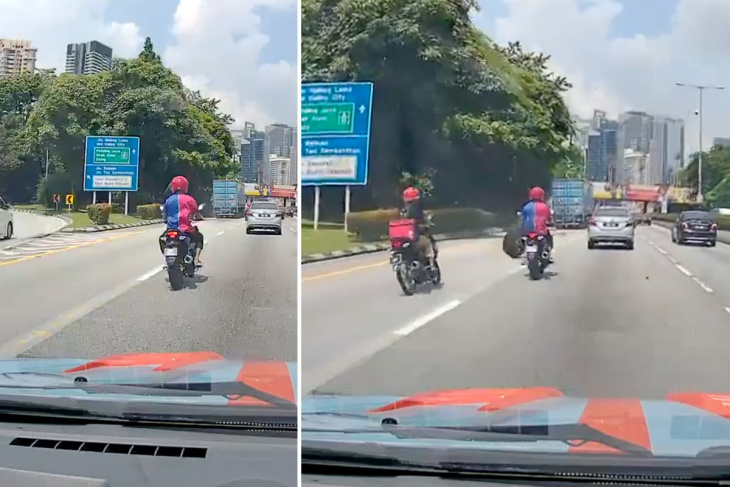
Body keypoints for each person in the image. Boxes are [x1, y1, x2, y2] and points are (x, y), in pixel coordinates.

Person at [160, 176, 204, 267]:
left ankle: (166, 257)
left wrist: (165, 220)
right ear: (185, 187)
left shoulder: (169, 200)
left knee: (161, 239)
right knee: (199, 238)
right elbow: (196, 212)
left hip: (171, 229)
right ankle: (196, 259)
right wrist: (199, 217)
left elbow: (165, 214)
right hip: (185, 229)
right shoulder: (189, 199)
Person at [401, 186, 438, 264]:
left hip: (404, 239)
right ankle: (431, 264)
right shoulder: (415, 210)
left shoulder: (403, 211)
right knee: (427, 243)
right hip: (414, 237)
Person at [520, 186, 553, 263]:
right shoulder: (545, 207)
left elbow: (522, 219)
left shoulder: (526, 207)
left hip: (527, 231)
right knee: (548, 240)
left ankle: (524, 254)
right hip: (541, 231)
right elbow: (549, 219)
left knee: (523, 240)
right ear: (542, 196)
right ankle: (547, 253)